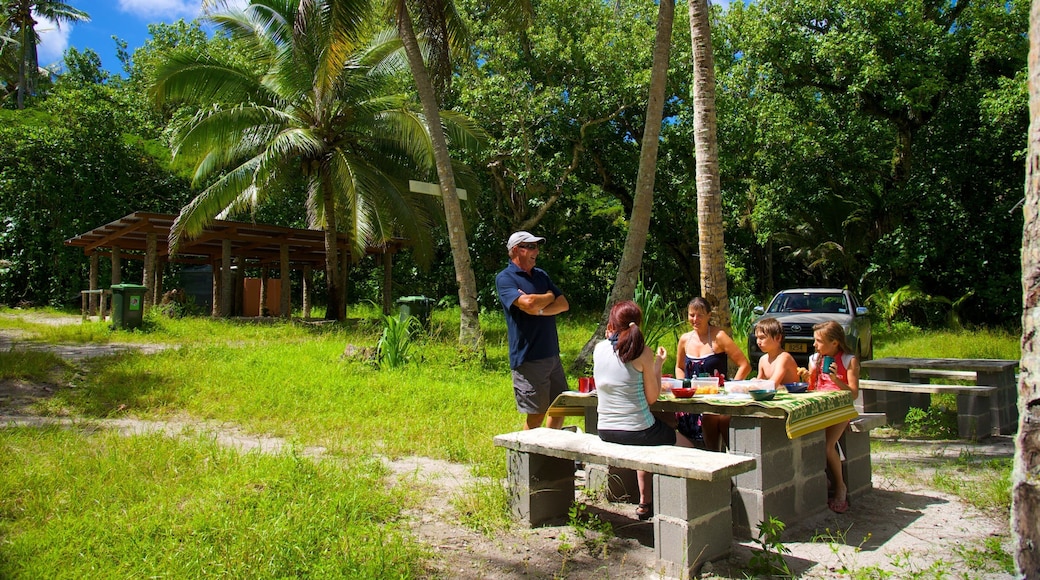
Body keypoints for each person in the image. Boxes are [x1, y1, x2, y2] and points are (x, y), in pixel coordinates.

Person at [593, 300, 674, 521]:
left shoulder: (599, 349)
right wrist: (658, 364)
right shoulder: (643, 352)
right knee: (687, 446)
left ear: (612, 324)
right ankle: (674, 503)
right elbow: (652, 398)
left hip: (605, 430)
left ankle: (645, 502)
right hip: (638, 431)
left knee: (648, 441)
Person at [496, 231, 570, 430]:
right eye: (529, 246)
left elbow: (563, 304)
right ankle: (526, 450)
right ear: (515, 250)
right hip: (528, 357)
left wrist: (538, 310)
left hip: (552, 354)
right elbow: (527, 303)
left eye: (536, 246)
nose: (535, 251)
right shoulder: (505, 278)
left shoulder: (541, 275)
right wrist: (548, 296)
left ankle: (550, 447)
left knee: (560, 407)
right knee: (536, 415)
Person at [675, 297, 751, 452]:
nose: (695, 319)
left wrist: (731, 389)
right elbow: (679, 367)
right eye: (691, 315)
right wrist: (683, 386)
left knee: (715, 438)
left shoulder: (719, 336)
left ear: (709, 315)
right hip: (692, 401)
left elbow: (745, 365)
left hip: (715, 402)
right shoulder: (684, 340)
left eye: (700, 315)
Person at [808, 320, 861, 514]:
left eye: (819, 341)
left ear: (835, 342)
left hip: (841, 408)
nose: (815, 345)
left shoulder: (848, 360)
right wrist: (807, 376)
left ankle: (840, 486)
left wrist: (836, 379)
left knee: (827, 445)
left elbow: (853, 394)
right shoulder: (815, 358)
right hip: (820, 407)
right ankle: (824, 480)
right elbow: (811, 387)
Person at [754, 317, 800, 388]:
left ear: (778, 338)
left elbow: (772, 384)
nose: (758, 342)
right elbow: (758, 384)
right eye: (757, 338)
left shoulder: (784, 358)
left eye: (762, 338)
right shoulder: (763, 360)